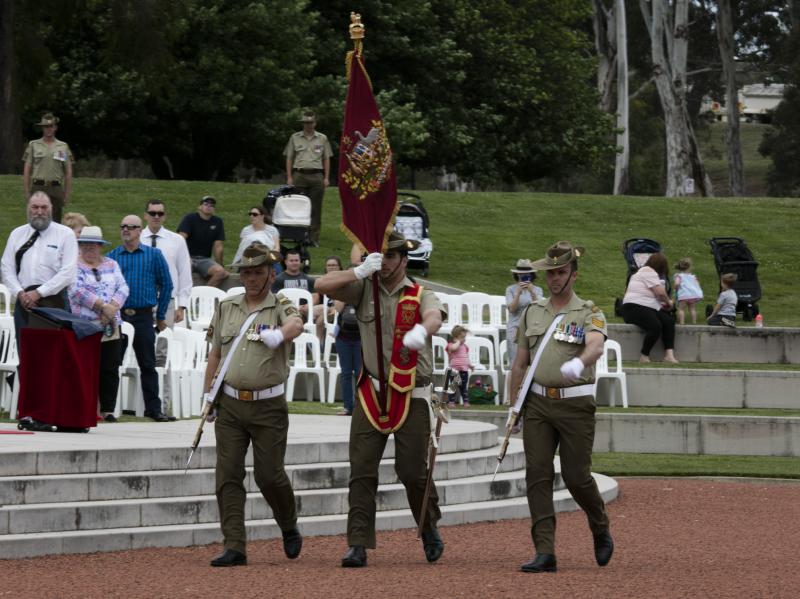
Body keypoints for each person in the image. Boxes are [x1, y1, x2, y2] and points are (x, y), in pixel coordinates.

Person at [315, 231, 446, 568]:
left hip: (411, 393)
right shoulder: (364, 288)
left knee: (412, 472)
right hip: (372, 392)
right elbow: (322, 285)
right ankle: (358, 542)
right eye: (380, 255)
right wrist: (358, 271)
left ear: (404, 259)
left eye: (391, 256)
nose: (385, 262)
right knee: (361, 469)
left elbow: (435, 316)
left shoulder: (420, 294)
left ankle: (427, 524)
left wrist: (422, 331)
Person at [507, 241, 613, 574]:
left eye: (561, 272)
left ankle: (599, 524)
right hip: (537, 403)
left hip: (575, 404)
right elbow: (519, 364)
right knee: (536, 473)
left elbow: (596, 346)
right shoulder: (531, 312)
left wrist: (579, 363)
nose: (554, 279)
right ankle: (544, 550)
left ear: (573, 275)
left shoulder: (589, 312)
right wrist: (514, 408)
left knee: (576, 476)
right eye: (550, 273)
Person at [202, 242, 304, 567]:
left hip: (268, 407)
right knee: (228, 474)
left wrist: (280, 335)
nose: (251, 278)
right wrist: (208, 396)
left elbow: (296, 324)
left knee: (269, 476)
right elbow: (215, 354)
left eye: (258, 272)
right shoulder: (226, 306)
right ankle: (234, 545)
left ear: (271, 275)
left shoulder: (280, 305)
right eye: (246, 272)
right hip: (231, 404)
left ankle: (288, 524)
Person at [107, 215, 175, 422]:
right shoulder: (112, 256)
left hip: (144, 316)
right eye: (123, 226)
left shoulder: (154, 255)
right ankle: (108, 409)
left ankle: (153, 409)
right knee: (112, 363)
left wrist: (161, 315)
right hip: (118, 316)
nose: (126, 230)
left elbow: (167, 284)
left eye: (131, 227)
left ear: (140, 231)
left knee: (148, 363)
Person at [68, 226, 129, 422]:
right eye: (84, 244)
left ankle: (108, 409)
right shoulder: (73, 266)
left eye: (93, 244)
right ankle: (87, 407)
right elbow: (76, 291)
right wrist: (103, 307)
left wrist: (112, 307)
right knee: (86, 367)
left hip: (111, 325)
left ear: (100, 246)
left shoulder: (112, 264)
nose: (89, 248)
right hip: (85, 325)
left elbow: (123, 287)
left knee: (109, 367)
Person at [1, 192, 78, 349]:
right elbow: (6, 268)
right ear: (28, 209)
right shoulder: (17, 234)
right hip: (24, 304)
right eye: (35, 207)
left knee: (53, 355)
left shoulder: (65, 234)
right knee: (26, 353)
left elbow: (68, 272)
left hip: (54, 302)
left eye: (44, 207)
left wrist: (39, 293)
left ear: (51, 209)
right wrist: (20, 293)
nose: (40, 211)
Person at [284, 110, 332, 245]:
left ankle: (314, 238)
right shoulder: (295, 137)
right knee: (299, 207)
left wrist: (326, 177)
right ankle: (300, 237)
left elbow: (326, 158)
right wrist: (289, 177)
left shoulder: (322, 138)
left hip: (317, 176)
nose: (308, 125)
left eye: (310, 122)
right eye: (305, 123)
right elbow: (289, 158)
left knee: (315, 208)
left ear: (315, 123)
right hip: (299, 175)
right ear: (302, 124)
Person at [621, 252, 678, 364]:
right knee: (655, 326)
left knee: (668, 321)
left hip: (646, 307)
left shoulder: (642, 272)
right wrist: (669, 303)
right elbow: (661, 293)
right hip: (633, 308)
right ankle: (644, 356)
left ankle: (669, 355)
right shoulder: (648, 272)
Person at [143, 199, 192, 327]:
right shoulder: (137, 239)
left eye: (160, 213)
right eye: (152, 213)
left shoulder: (177, 240)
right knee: (141, 343)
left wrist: (182, 305)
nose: (156, 216)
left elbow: (184, 273)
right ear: (145, 215)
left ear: (165, 216)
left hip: (168, 301)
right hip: (142, 301)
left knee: (164, 342)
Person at [22, 113, 74, 223]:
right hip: (38, 186)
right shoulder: (34, 145)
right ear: (42, 128)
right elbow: (27, 170)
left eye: (51, 126)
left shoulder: (63, 146)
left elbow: (68, 172)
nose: (48, 129)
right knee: (36, 219)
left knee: (55, 222)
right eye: (46, 127)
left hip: (56, 188)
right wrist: (27, 192)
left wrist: (66, 193)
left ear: (55, 128)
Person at [177, 196, 228, 287]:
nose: (208, 206)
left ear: (214, 209)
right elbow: (181, 239)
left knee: (221, 272)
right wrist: (184, 257)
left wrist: (220, 264)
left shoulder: (217, 222)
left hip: (204, 259)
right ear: (199, 207)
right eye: (206, 204)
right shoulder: (190, 218)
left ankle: (203, 293)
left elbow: (218, 246)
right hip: (188, 257)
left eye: (211, 205)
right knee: (184, 270)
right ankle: (182, 295)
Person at [505, 259, 543, 364]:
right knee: (515, 361)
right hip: (515, 327)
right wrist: (518, 294)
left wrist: (532, 293)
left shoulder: (538, 290)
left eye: (527, 275)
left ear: (531, 275)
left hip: (532, 326)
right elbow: (512, 309)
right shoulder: (511, 289)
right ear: (517, 275)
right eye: (522, 275)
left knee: (532, 361)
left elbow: (539, 308)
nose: (524, 277)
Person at [271, 248, 316, 321]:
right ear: (286, 262)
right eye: (291, 261)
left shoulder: (309, 279)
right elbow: (275, 297)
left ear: (300, 262)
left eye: (296, 260)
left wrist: (309, 305)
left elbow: (315, 295)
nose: (294, 263)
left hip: (305, 310)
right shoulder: (278, 279)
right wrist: (293, 307)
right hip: (285, 311)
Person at [313, 255, 342, 341]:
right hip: (324, 308)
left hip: (338, 310)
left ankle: (317, 343)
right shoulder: (321, 281)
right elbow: (316, 296)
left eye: (334, 265)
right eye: (329, 265)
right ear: (325, 268)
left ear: (339, 267)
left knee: (325, 312)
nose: (331, 267)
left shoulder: (343, 280)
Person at [446, 325, 474, 407]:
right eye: (462, 337)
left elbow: (466, 358)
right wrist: (457, 342)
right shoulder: (451, 345)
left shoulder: (465, 347)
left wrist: (470, 366)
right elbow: (453, 349)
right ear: (455, 337)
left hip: (464, 370)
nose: (464, 339)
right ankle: (451, 402)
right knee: (453, 386)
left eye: (464, 337)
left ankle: (466, 402)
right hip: (455, 371)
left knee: (463, 387)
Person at [673, 258, 703, 325]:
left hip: (683, 295)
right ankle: (694, 322)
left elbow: (677, 283)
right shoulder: (693, 276)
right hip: (692, 296)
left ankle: (682, 322)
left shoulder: (679, 276)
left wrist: (675, 288)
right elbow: (697, 284)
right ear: (689, 267)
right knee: (692, 309)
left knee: (681, 309)